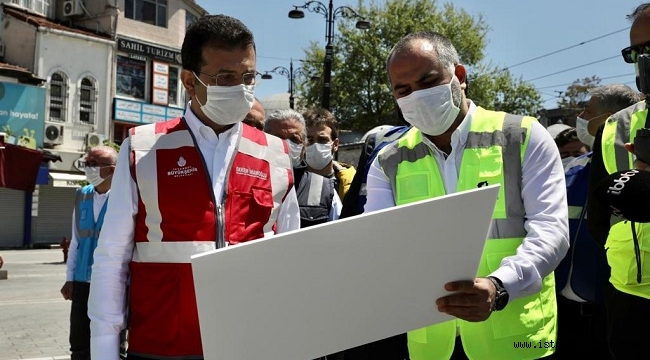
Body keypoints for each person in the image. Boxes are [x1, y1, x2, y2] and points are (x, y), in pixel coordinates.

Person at [87, 14, 300, 360]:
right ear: (189, 81)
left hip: (249, 345)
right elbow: (112, 256)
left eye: (248, 77)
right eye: (225, 77)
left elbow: (291, 262)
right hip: (161, 346)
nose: (241, 88)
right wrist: (104, 350)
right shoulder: (142, 148)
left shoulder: (275, 154)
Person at [366, 31, 569, 359]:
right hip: (432, 345)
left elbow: (552, 233)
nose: (416, 95)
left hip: (514, 339)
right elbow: (381, 245)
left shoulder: (522, 137)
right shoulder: (388, 162)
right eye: (403, 90)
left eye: (428, 81)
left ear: (459, 76)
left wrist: (499, 286)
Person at [553, 84, 640, 360]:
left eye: (586, 111)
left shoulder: (636, 176)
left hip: (611, 313)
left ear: (609, 118)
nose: (579, 116)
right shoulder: (572, 168)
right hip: (560, 311)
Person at [587, 4, 650, 359]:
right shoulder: (616, 126)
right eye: (636, 53)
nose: (644, 60)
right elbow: (598, 221)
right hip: (629, 297)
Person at [59, 145, 117, 360]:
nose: (88, 168)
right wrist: (70, 279)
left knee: (111, 341)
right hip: (82, 282)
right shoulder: (82, 195)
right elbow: (76, 241)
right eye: (87, 163)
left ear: (112, 170)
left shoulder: (124, 196)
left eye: (94, 164)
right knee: (79, 342)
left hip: (111, 283)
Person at [264, 109, 342, 227]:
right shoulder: (246, 180)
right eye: (279, 138)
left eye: (294, 139)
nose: (286, 145)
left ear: (304, 145)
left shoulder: (326, 190)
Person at [302, 108, 356, 201]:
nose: (315, 145)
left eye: (322, 140)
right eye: (309, 140)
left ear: (335, 144)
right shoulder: (293, 184)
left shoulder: (354, 183)